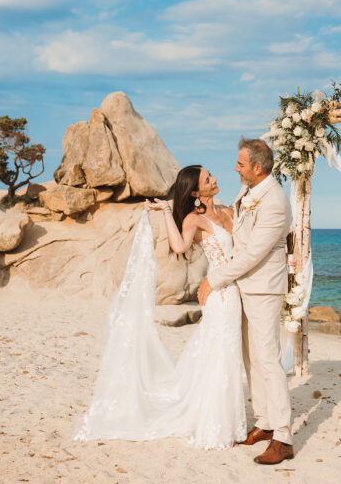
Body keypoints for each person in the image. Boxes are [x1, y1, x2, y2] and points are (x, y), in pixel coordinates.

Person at [74, 164, 247, 450]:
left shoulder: (229, 210)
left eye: (212, 175)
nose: (215, 179)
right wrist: (168, 212)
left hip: (239, 291)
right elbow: (179, 246)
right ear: (195, 191)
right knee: (222, 356)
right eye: (207, 179)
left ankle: (228, 420)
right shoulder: (195, 219)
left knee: (227, 355)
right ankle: (217, 426)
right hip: (221, 295)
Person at [197, 137, 294, 465]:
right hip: (244, 288)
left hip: (264, 288)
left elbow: (253, 253)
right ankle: (264, 423)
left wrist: (215, 278)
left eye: (240, 164)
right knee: (252, 358)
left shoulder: (275, 202)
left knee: (268, 359)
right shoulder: (250, 193)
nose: (235, 169)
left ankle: (283, 436)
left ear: (257, 167)